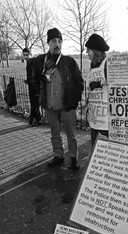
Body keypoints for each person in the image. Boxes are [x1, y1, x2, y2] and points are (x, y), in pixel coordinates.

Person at [31, 28, 84, 170]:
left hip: (67, 105)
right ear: (48, 42)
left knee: (71, 134)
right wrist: (42, 95)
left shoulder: (69, 61)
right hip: (50, 106)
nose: (57, 44)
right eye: (54, 41)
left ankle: (73, 157)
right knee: (54, 132)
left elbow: (79, 83)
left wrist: (74, 101)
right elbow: (34, 80)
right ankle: (58, 155)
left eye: (60, 41)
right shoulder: (40, 61)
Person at [85, 34, 110, 146]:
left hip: (105, 119)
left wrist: (99, 83)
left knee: (104, 149)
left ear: (96, 51)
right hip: (95, 116)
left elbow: (114, 82)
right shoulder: (93, 65)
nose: (87, 52)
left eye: (88, 49)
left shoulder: (107, 64)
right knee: (94, 148)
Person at [22, 47, 41, 126]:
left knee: (35, 104)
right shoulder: (28, 63)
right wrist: (28, 81)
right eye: (24, 55)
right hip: (31, 86)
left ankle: (35, 119)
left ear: (30, 54)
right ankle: (35, 118)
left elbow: (38, 74)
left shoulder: (34, 62)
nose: (25, 57)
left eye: (27, 55)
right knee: (33, 103)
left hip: (36, 87)